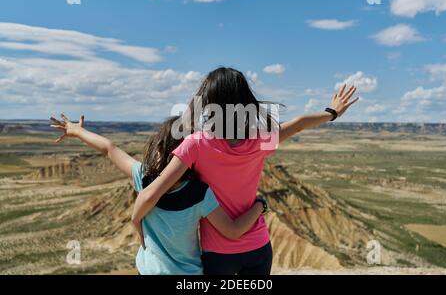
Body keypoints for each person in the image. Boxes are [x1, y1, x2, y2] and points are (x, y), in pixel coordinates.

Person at [131, 67, 359, 275]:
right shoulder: (260, 141)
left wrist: (137, 224)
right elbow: (299, 123)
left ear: (209, 104)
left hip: (218, 255)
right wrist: (332, 112)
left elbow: (152, 193)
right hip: (258, 248)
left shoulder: (196, 145)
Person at [50, 114, 267, 275]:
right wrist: (259, 205)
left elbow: (108, 148)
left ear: (159, 146)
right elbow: (233, 231)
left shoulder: (143, 177)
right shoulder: (200, 193)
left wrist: (76, 131)